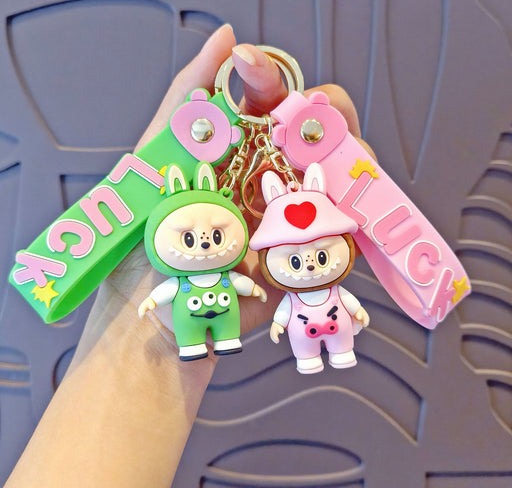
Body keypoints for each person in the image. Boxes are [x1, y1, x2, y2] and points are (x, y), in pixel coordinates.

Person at [5, 24, 374, 487]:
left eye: (215, 237)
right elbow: (177, 295)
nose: (203, 246)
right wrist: (144, 314)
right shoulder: (180, 216)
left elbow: (244, 283)